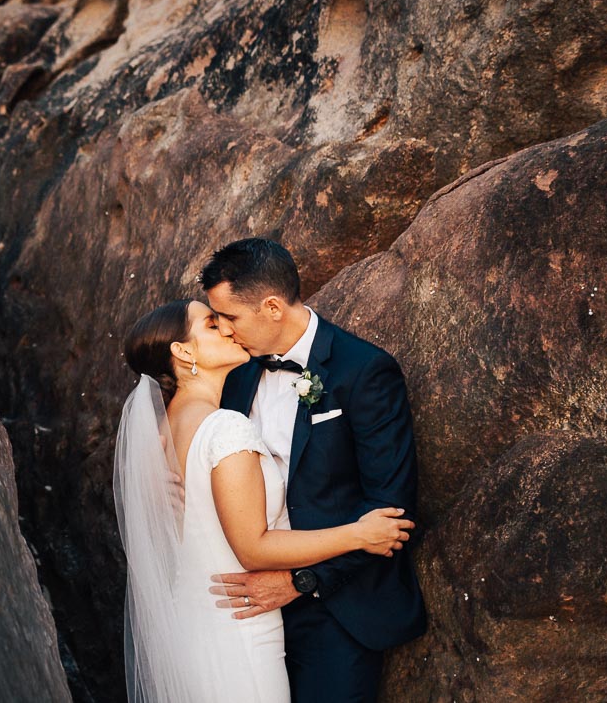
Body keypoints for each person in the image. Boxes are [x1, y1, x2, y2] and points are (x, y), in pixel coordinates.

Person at [116, 298, 414, 703]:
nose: (226, 328)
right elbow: (253, 546)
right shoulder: (225, 426)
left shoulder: (163, 433)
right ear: (183, 352)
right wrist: (359, 534)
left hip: (197, 619)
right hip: (238, 624)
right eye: (211, 323)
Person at [201, 238, 427, 701]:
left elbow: (391, 511)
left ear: (270, 307)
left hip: (335, 609)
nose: (223, 330)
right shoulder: (237, 373)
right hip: (246, 606)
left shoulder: (364, 371)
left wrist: (299, 582)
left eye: (230, 318)